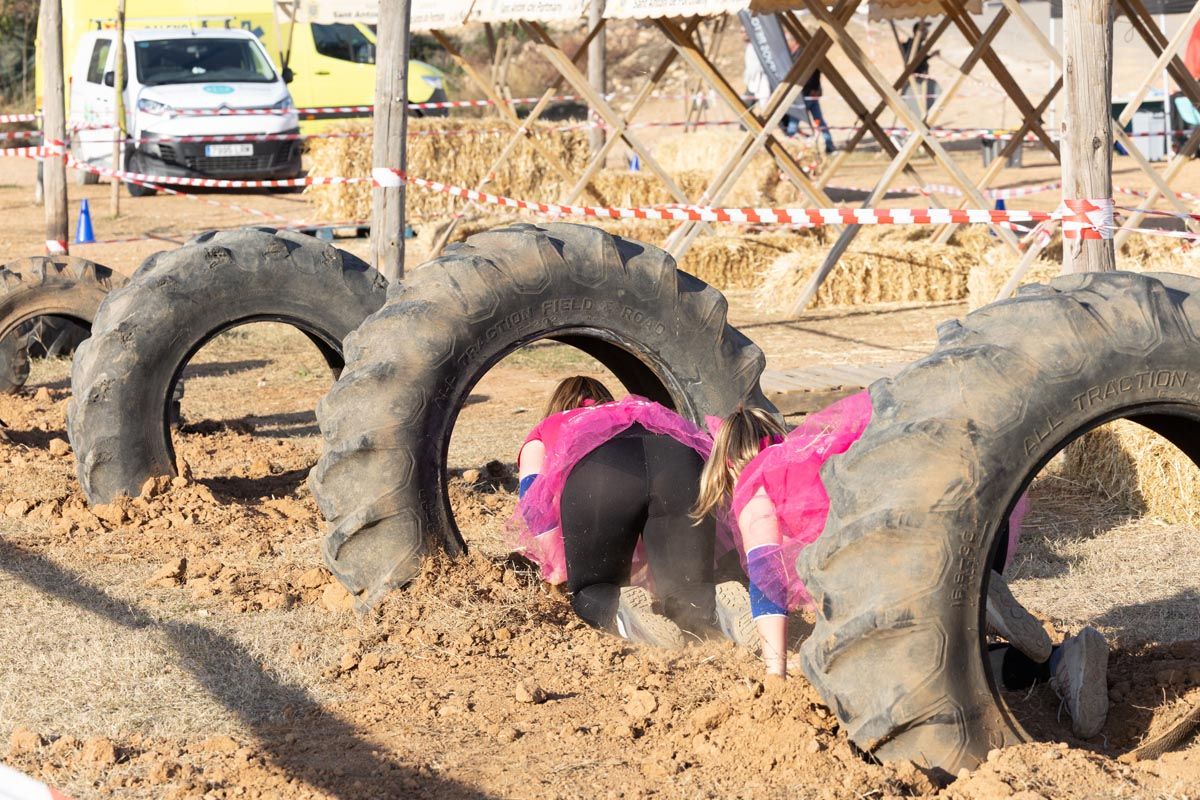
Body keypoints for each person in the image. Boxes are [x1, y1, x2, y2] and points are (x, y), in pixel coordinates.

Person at [693, 391, 1110, 739]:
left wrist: (775, 674)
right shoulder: (822, 456)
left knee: (913, 676)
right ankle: (1062, 658)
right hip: (971, 510)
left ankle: (970, 597)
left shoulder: (757, 490)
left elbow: (767, 586)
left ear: (728, 465)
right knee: (959, 660)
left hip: (916, 553)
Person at [509, 376, 755, 649]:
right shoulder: (629, 412)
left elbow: (533, 502)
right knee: (686, 592)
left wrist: (556, 565)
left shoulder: (546, 429)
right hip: (678, 458)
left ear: (558, 406)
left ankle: (622, 606)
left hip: (602, 468)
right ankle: (717, 604)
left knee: (594, 588)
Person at [802, 69, 836, 154]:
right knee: (793, 124)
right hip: (804, 98)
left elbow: (816, 76)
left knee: (820, 123)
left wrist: (815, 90)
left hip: (809, 97)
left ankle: (830, 146)